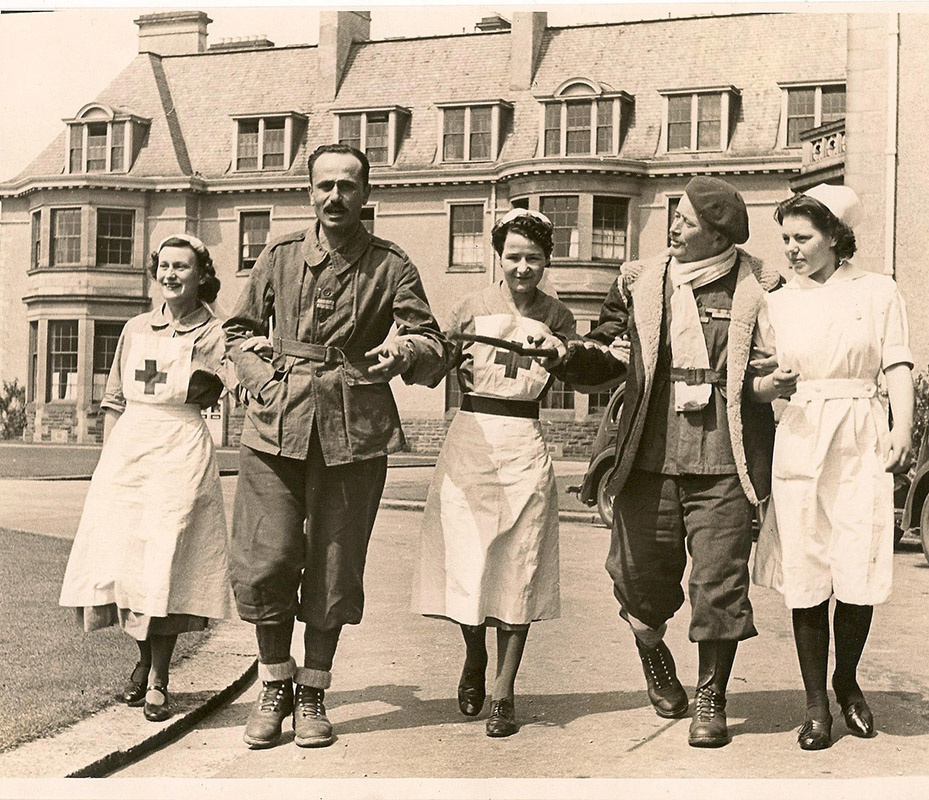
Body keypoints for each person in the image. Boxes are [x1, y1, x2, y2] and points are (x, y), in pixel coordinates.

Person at [224, 143, 451, 750]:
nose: (335, 196)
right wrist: (261, 378)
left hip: (356, 431)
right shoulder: (278, 256)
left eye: (348, 186)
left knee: (334, 566)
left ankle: (314, 692)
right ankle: (275, 683)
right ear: (309, 192)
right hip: (277, 426)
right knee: (266, 559)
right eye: (324, 185)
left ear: (365, 194)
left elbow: (431, 341)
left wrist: (402, 352)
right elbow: (239, 331)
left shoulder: (391, 264)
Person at [541, 176, 780, 747]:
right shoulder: (640, 282)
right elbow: (609, 353)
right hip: (648, 452)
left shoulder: (759, 286)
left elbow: (776, 362)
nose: (673, 227)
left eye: (686, 220)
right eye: (673, 215)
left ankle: (711, 698)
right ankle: (655, 656)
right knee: (637, 583)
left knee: (719, 585)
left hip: (725, 456)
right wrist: (565, 355)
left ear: (717, 233)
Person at [750, 184, 914, 750]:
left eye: (803, 238)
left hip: (860, 431)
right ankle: (816, 705)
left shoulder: (877, 291)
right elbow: (756, 380)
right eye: (786, 239)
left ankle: (847, 681)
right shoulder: (775, 300)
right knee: (806, 569)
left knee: (858, 565)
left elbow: (896, 363)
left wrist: (901, 428)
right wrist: (773, 386)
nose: (791, 249)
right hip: (799, 432)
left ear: (835, 239)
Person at [411, 209, 575, 738]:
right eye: (513, 257)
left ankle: (504, 687)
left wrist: (565, 353)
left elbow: (584, 370)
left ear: (547, 260)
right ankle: (474, 654)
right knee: (469, 561)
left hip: (524, 444)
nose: (523, 268)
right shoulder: (468, 308)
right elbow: (432, 363)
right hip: (470, 441)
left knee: (519, 564)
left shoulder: (560, 316)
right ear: (498, 257)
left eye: (533, 258)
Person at [59, 234, 231, 723]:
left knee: (166, 561)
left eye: (183, 267)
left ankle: (158, 676)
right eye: (164, 266)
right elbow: (114, 399)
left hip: (181, 448)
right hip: (131, 448)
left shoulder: (216, 333)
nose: (171, 274)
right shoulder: (135, 328)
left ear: (202, 275)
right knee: (130, 564)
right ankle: (142, 661)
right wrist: (109, 464)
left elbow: (239, 386)